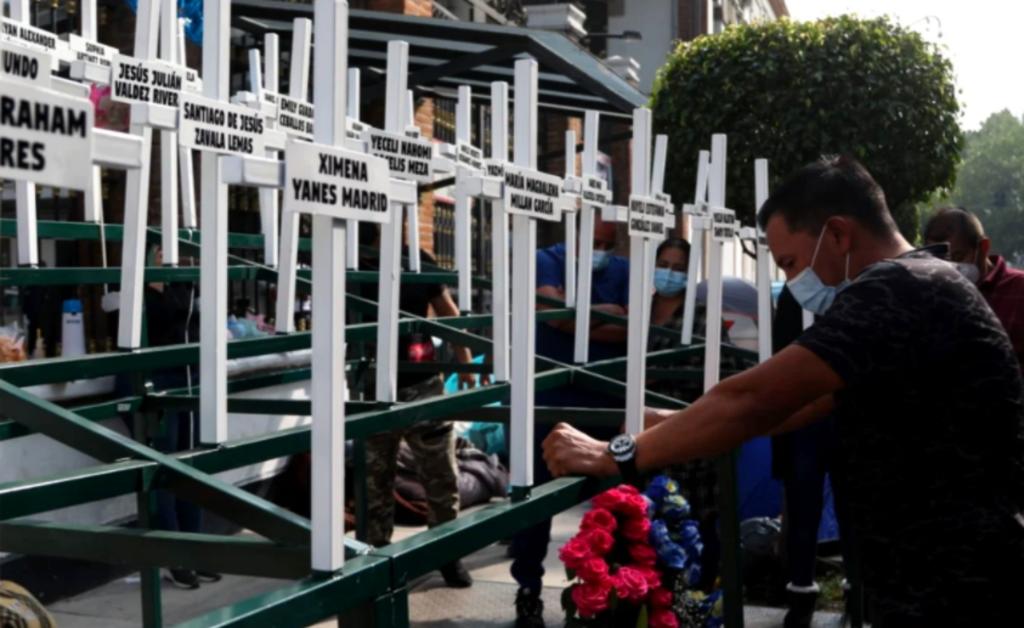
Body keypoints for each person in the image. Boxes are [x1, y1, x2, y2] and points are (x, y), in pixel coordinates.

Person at [542, 156, 1024, 627]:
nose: (794, 282)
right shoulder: (922, 281)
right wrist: (661, 423)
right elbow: (800, 404)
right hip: (943, 571)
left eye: (792, 263)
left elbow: (754, 400)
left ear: (837, 233)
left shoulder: (897, 290)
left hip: (951, 582)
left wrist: (617, 454)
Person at [513, 216, 629, 628]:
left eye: (606, 243)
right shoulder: (546, 259)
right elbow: (550, 315)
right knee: (534, 501)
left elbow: (630, 328)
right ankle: (528, 589)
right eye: (591, 240)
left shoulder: (626, 271)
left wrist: (574, 314)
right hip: (548, 402)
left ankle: (611, 591)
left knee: (615, 501)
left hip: (606, 402)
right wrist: (607, 314)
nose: (599, 249)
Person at [360, 226, 482, 588]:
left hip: (421, 383)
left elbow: (447, 310)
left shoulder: (418, 260)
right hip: (370, 388)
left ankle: (447, 554)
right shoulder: (352, 257)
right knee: (373, 482)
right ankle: (374, 559)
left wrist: (466, 362)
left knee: (441, 476)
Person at [771, 286, 857, 628]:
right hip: (804, 414)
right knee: (803, 508)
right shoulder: (797, 293)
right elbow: (780, 354)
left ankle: (856, 590)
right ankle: (802, 593)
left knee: (851, 509)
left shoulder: (856, 288)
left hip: (847, 416)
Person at [143, 246, 220, 589]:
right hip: (159, 380)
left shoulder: (187, 287)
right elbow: (165, 320)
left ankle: (196, 549)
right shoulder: (147, 291)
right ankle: (175, 555)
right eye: (161, 254)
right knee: (167, 467)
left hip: (187, 377)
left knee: (190, 467)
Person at [923, 207, 1024, 366]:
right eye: (940, 262)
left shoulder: (1019, 289)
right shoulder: (932, 295)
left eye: (958, 257)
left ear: (983, 248)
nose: (950, 268)